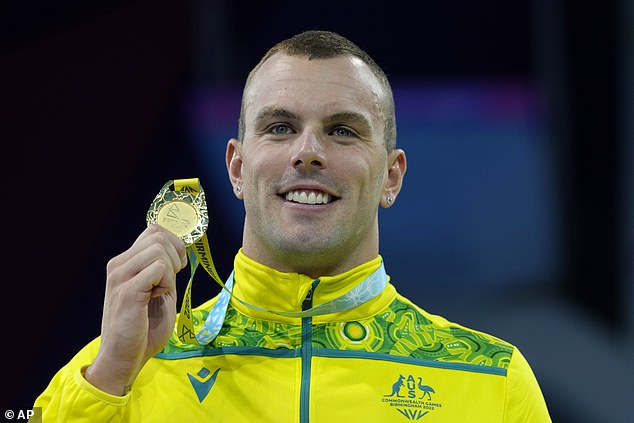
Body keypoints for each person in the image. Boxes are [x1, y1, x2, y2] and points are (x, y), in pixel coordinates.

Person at [34, 30, 551, 422]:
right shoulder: (115, 373)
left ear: (391, 177)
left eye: (342, 131)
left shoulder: (491, 382)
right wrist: (111, 377)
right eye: (280, 128)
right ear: (236, 168)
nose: (307, 153)